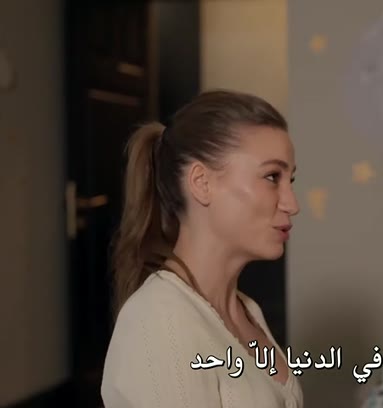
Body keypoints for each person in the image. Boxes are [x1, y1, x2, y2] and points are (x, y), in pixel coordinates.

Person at [101, 90, 302, 407]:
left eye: (291, 180)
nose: (292, 204)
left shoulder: (248, 310)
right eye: (272, 177)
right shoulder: (160, 321)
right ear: (201, 182)